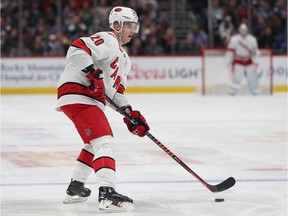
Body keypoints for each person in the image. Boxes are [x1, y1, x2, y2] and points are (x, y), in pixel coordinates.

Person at [56, 6, 150, 211]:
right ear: (116, 25)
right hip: (80, 93)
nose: (132, 31)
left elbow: (115, 93)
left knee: (93, 143)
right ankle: (107, 191)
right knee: (104, 141)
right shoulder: (108, 39)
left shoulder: (125, 59)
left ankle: (76, 187)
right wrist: (92, 72)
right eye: (128, 26)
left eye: (135, 26)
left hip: (87, 98)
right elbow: (76, 49)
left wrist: (130, 114)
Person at [225, 23, 260, 95]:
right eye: (242, 30)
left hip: (249, 59)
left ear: (247, 30)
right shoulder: (234, 39)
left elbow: (255, 50)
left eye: (244, 30)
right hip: (238, 60)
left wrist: (256, 56)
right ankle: (233, 91)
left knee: (252, 77)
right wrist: (228, 61)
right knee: (236, 77)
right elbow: (230, 52)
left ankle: (255, 90)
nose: (243, 31)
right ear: (239, 30)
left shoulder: (252, 39)